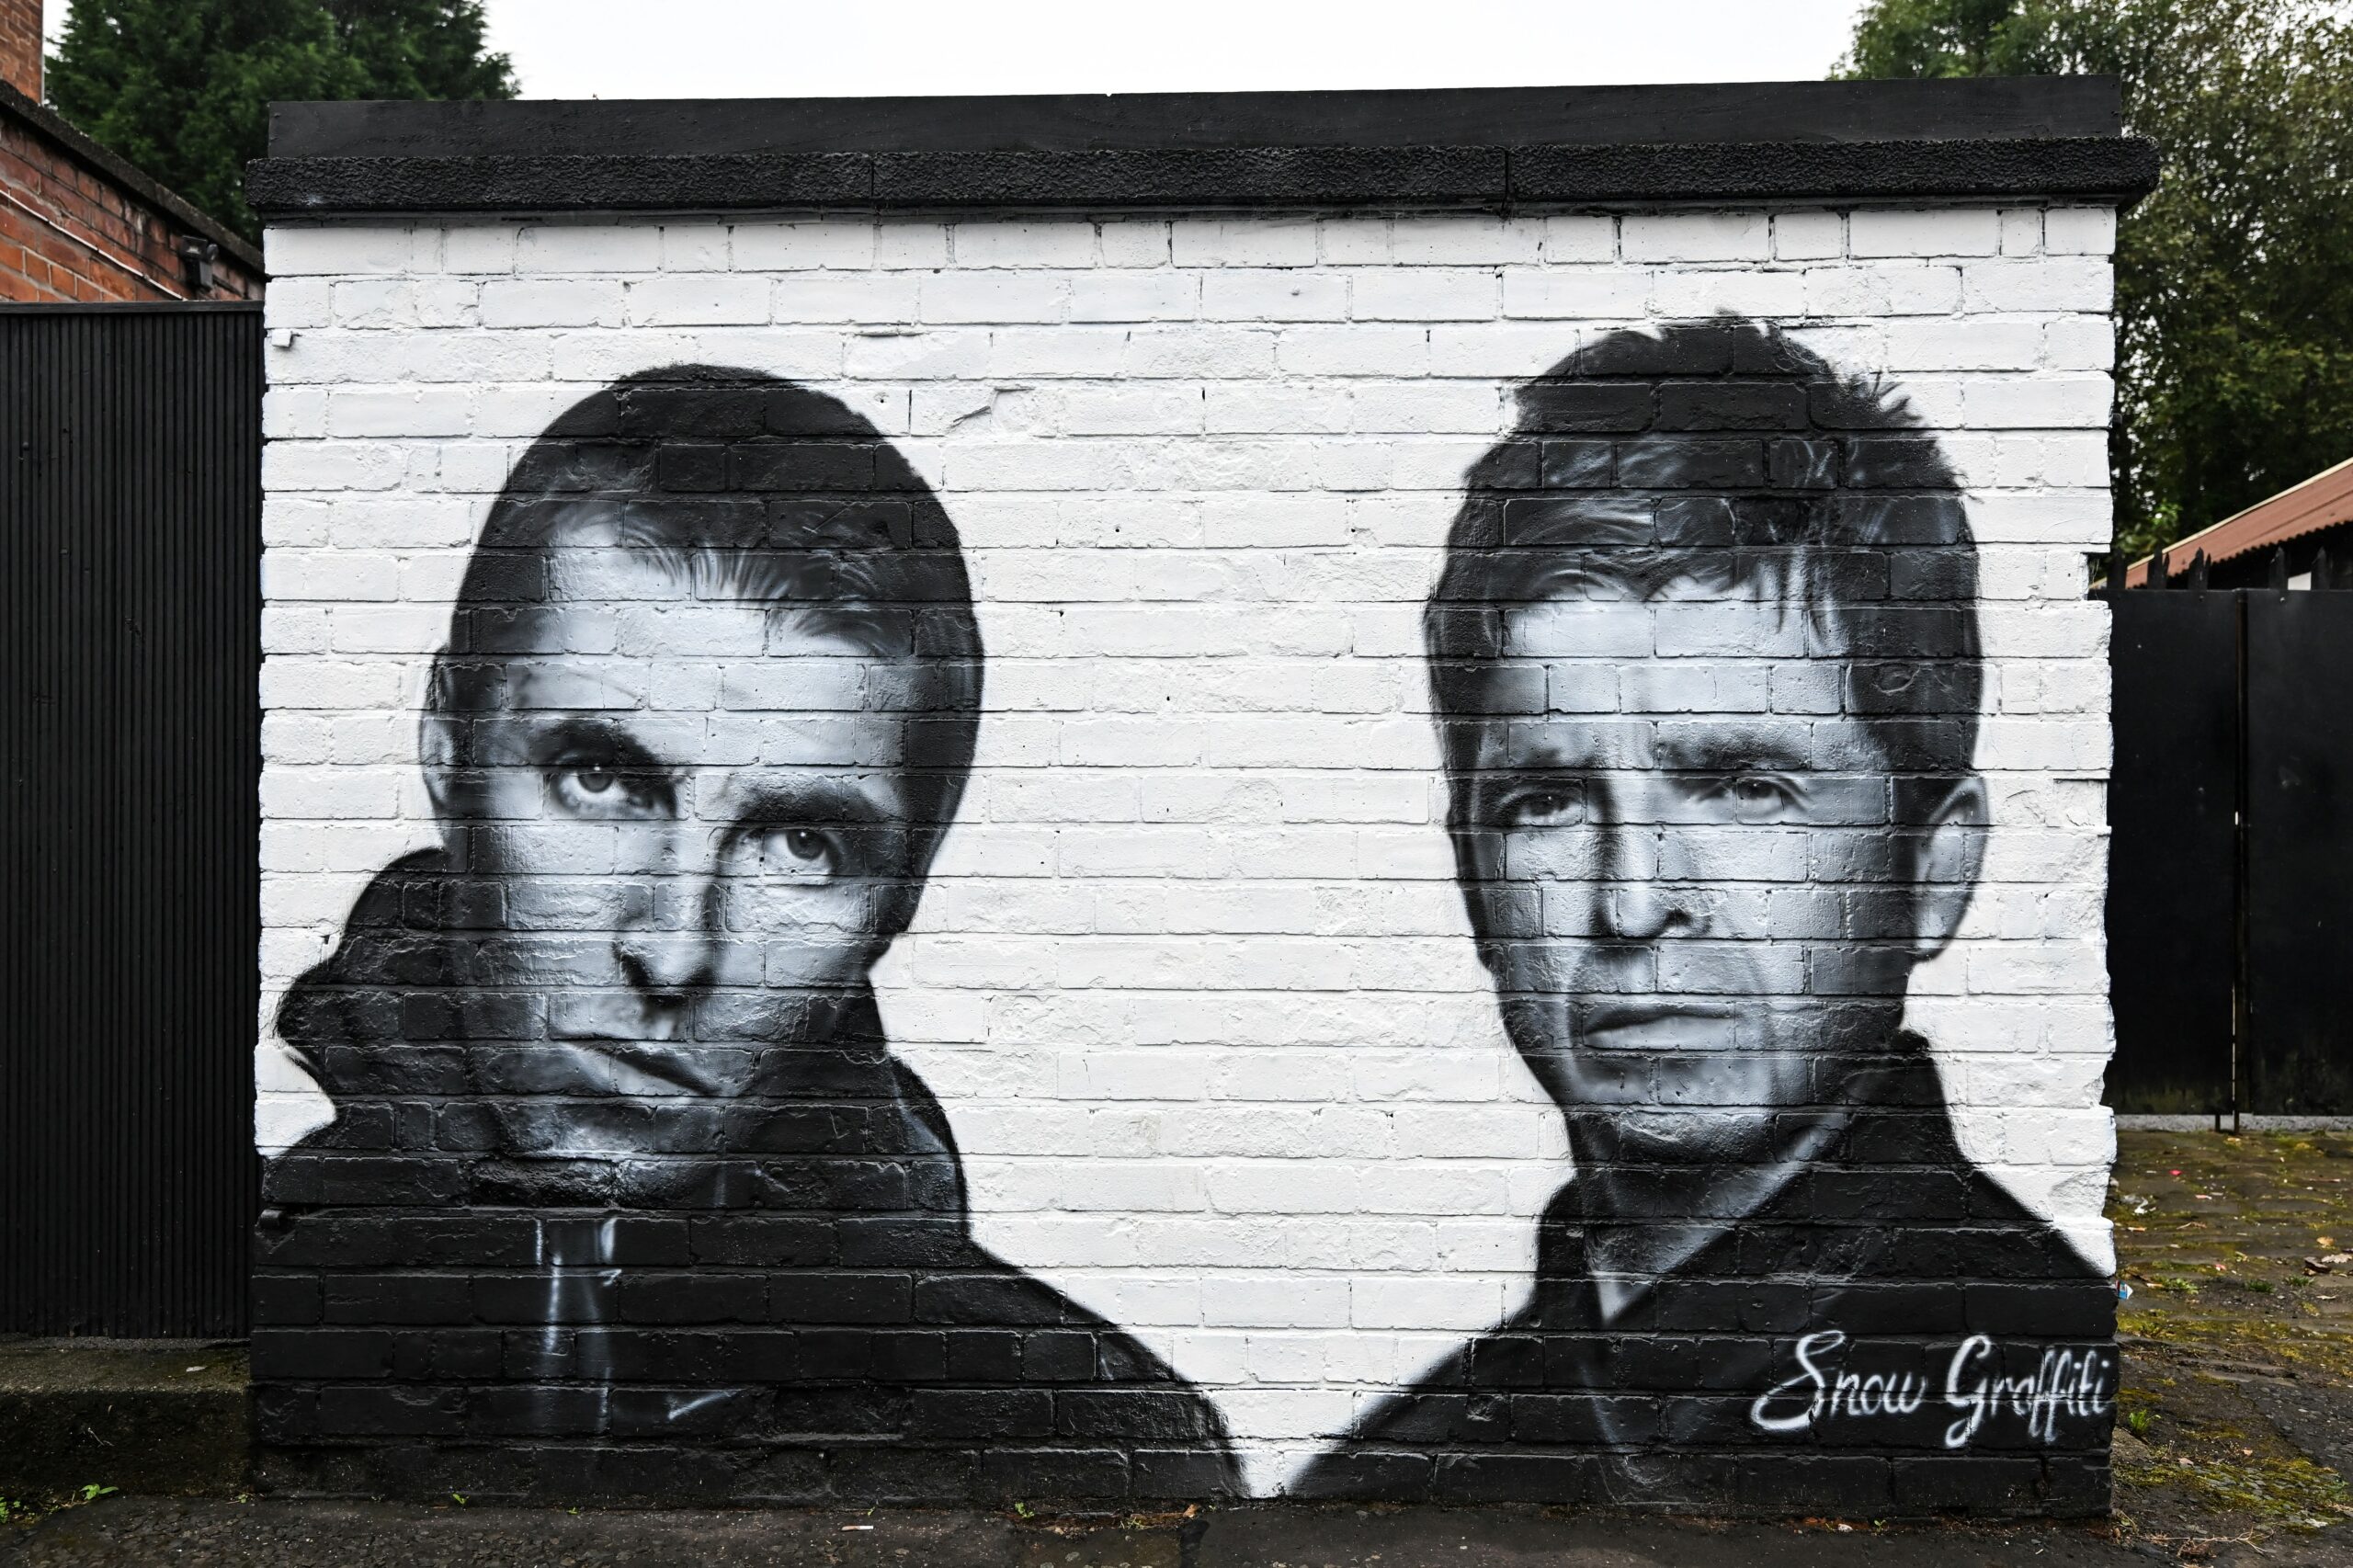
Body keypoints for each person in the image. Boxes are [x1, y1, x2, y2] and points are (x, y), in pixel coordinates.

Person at [254, 366, 1236, 1505]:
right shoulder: (232, 1342)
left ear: (901, 895)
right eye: (601, 778)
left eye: (799, 847)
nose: (673, 952)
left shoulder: (1086, 1447)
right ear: (445, 742)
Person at [1299, 317, 2114, 1512]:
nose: (1633, 899)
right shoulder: (1380, 1481)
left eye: (1744, 785)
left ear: (1933, 866)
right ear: (1471, 875)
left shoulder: (2037, 1407)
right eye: (1548, 800)